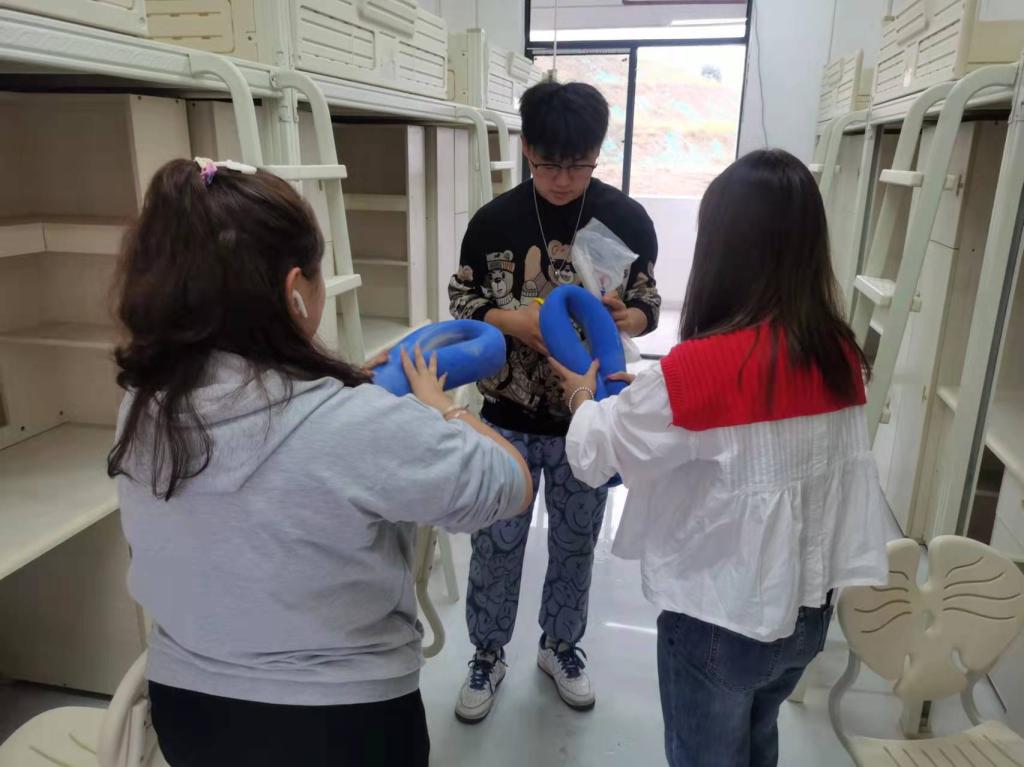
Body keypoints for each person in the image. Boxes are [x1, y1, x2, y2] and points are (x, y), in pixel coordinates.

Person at [108, 158, 533, 767]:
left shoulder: (143, 406)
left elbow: (267, 435)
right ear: (294, 291)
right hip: (340, 723)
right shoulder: (362, 426)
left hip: (189, 711)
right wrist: (441, 408)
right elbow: (511, 483)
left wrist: (340, 385)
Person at [551, 149, 891, 767]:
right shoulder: (839, 353)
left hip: (720, 622)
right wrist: (653, 397)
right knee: (759, 740)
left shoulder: (698, 372)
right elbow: (748, 436)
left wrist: (581, 394)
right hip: (808, 615)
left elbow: (597, 455)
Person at [448, 80, 662, 722]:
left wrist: (628, 317)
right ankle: (486, 654)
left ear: (597, 153)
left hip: (587, 420)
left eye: (578, 164)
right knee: (496, 544)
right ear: (527, 150)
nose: (563, 179)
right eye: (548, 164)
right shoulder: (494, 222)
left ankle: (560, 646)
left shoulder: (625, 219)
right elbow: (462, 300)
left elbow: (649, 303)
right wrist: (511, 322)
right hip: (505, 416)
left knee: (575, 543)